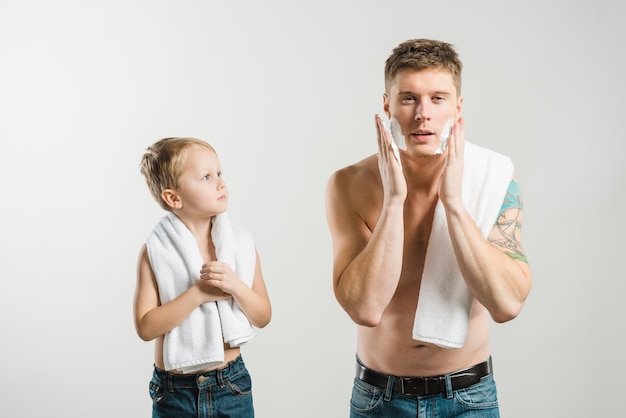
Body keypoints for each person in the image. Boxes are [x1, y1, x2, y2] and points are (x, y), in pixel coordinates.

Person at [325, 39, 531, 417]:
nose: (423, 114)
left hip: (469, 396)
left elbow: (507, 304)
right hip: (379, 398)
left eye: (438, 99)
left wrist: (454, 204)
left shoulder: (493, 176)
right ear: (387, 104)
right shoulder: (349, 184)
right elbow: (365, 308)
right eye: (408, 99)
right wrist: (392, 202)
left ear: (458, 107)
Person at [134, 137, 271, 417]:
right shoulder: (154, 252)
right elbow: (146, 328)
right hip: (174, 392)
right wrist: (198, 294)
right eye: (206, 177)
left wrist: (235, 285)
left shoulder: (241, 244)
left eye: (219, 173)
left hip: (230, 386)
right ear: (174, 197)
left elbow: (263, 316)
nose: (220, 183)